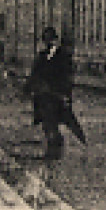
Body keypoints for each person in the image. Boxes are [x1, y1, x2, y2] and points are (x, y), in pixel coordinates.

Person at [25, 26, 75, 160]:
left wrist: (66, 95)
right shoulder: (42, 56)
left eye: (51, 40)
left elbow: (68, 76)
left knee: (52, 122)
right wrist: (29, 88)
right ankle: (52, 148)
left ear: (55, 40)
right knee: (47, 122)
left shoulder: (63, 57)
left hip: (56, 95)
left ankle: (55, 149)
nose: (49, 43)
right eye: (47, 40)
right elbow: (34, 74)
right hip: (43, 95)